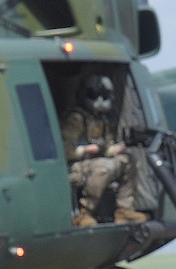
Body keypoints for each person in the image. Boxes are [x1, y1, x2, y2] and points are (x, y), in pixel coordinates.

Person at [62, 73, 148, 227]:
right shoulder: (76, 119)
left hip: (95, 164)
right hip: (75, 167)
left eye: (104, 95)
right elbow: (66, 152)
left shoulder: (101, 120)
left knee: (127, 160)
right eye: (95, 95)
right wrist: (88, 149)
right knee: (104, 168)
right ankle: (84, 214)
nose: (100, 100)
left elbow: (106, 149)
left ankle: (123, 210)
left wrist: (117, 149)